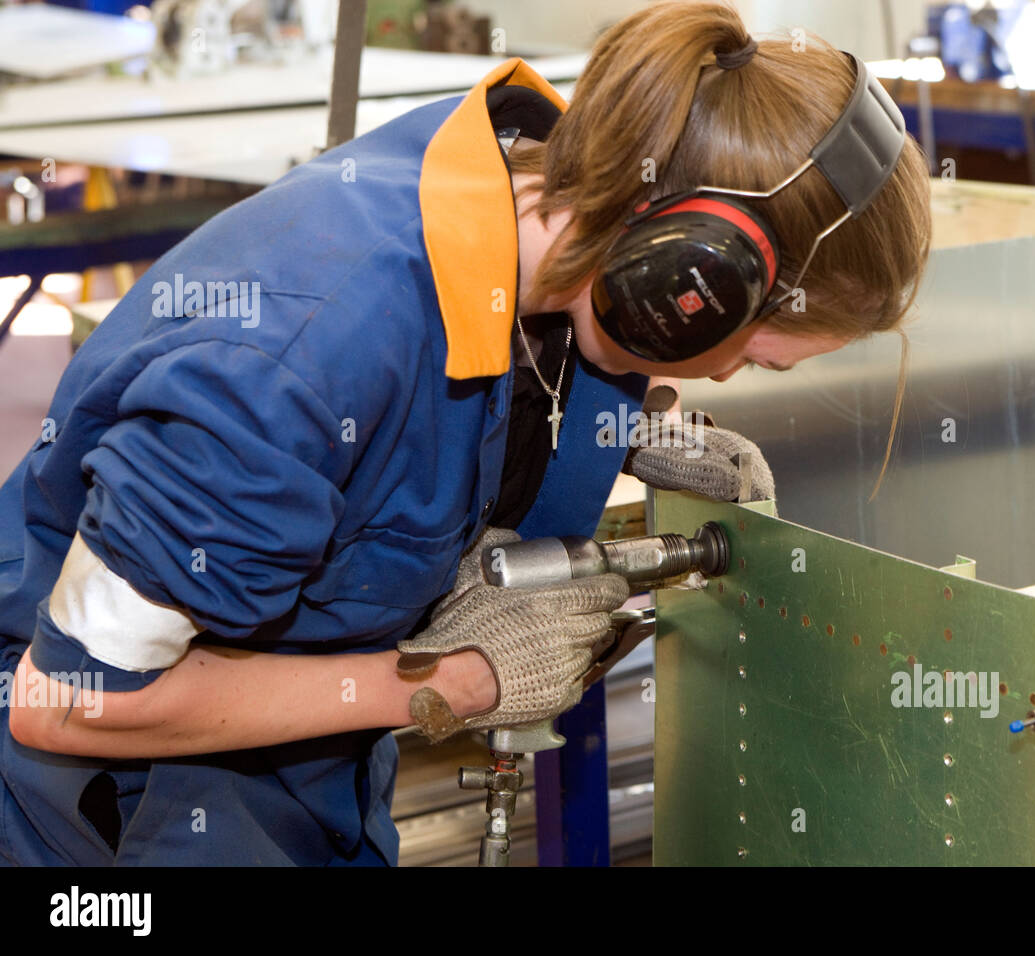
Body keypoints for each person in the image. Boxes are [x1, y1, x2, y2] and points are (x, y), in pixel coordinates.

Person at [0, 1, 930, 866]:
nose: (724, 373)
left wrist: (624, 428)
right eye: (751, 356)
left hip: (297, 790)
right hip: (93, 822)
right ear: (681, 274)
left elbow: (471, 397)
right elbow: (67, 705)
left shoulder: (544, 197)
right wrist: (455, 681)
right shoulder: (294, 367)